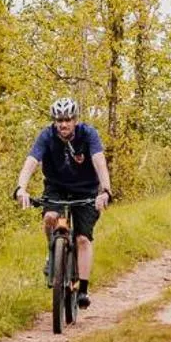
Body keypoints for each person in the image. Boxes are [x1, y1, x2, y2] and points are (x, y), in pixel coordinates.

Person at [14, 99, 112, 309]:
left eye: (68, 120)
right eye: (59, 120)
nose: (63, 124)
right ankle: (53, 255)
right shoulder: (47, 136)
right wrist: (20, 187)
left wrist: (105, 190)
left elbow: (99, 161)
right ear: (55, 121)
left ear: (75, 120)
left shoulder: (88, 134)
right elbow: (31, 160)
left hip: (86, 190)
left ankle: (83, 290)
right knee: (50, 217)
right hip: (56, 188)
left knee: (82, 239)